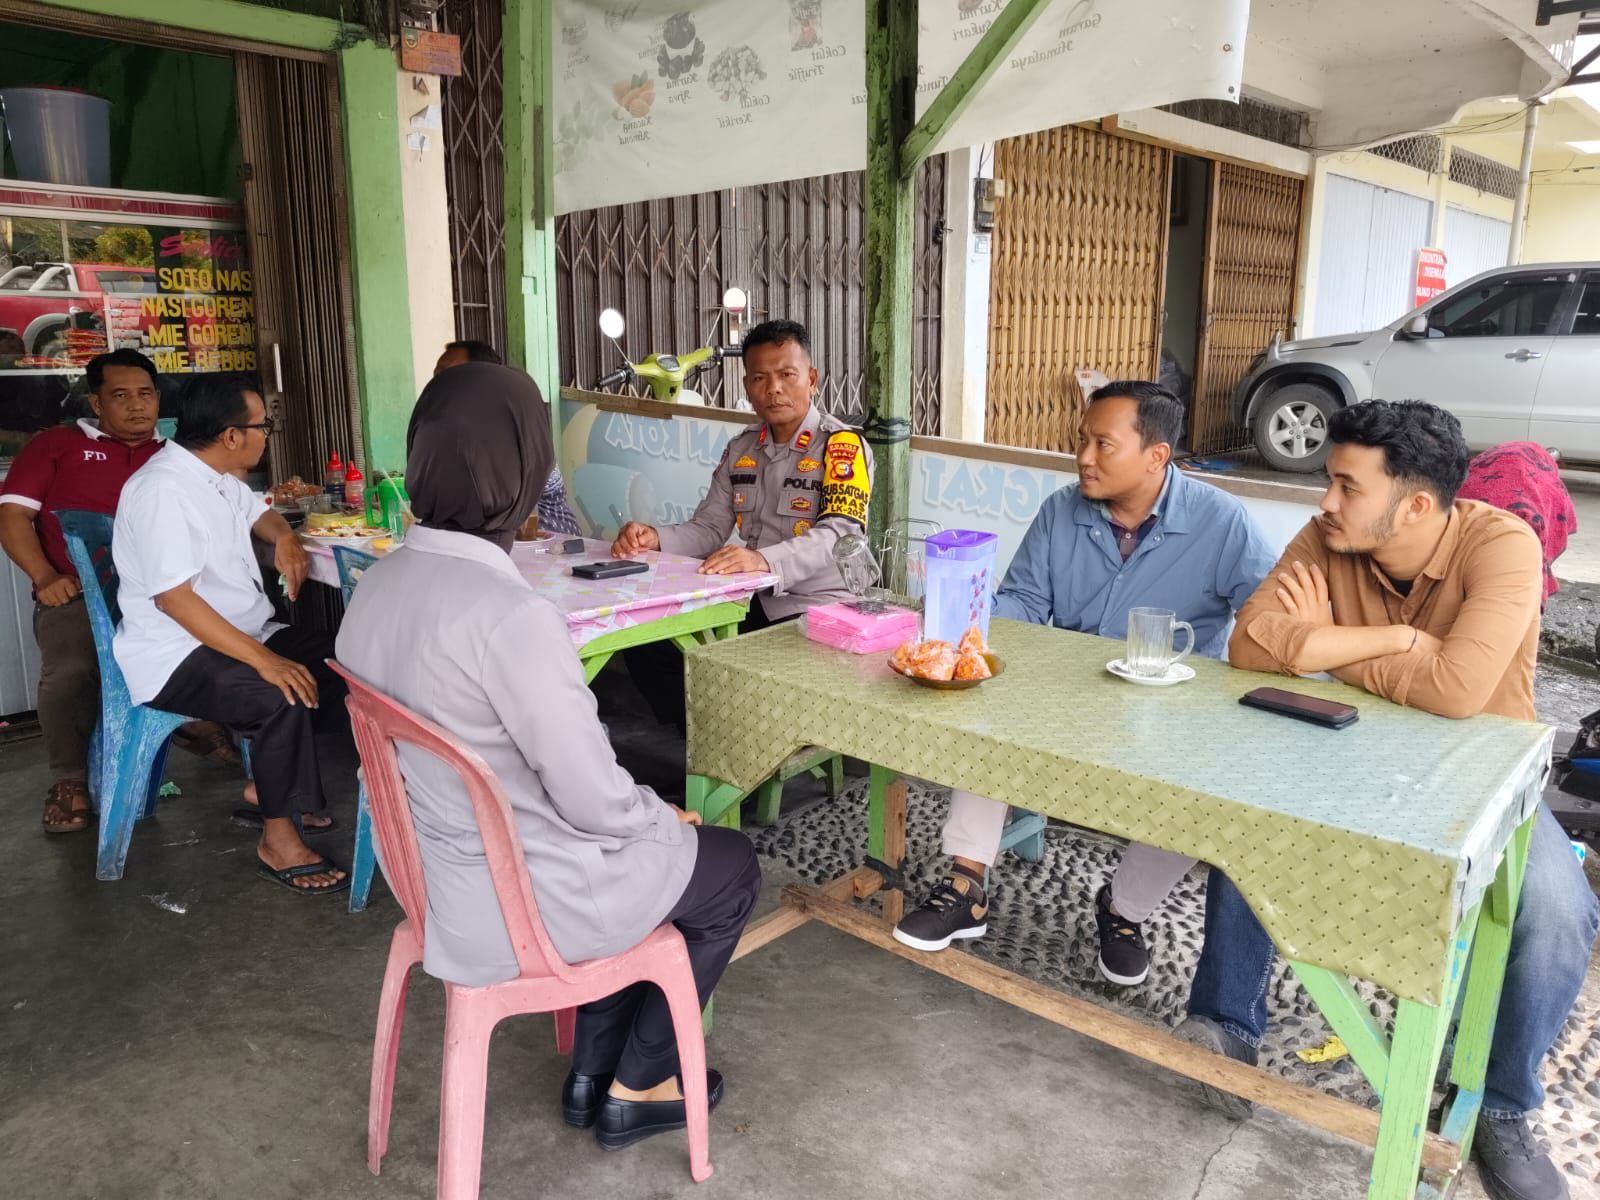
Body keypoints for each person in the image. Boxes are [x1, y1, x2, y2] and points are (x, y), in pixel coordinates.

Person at [1181, 401, 1599, 1200]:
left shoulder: (1501, 545)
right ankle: (1225, 1028)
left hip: (1487, 773)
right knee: (1256, 818)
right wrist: (1399, 641)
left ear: (1413, 504)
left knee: (1557, 910)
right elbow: (1249, 647)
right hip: (1343, 747)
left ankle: (1499, 1105)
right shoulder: (1332, 537)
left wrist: (1322, 650)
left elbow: (1460, 690)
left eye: (1344, 484)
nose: (1324, 502)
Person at [336, 363, 760, 1148]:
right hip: (523, 903)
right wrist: (656, 813)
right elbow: (594, 802)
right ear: (527, 471)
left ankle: (590, 1075)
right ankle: (640, 1082)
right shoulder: (509, 616)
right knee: (726, 867)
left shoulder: (375, 586)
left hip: (432, 888)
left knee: (639, 847)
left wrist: (637, 819)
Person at [892, 382, 1278, 979]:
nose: (1083, 457)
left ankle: (1123, 909)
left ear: (1157, 456)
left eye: (1103, 444)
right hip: (1062, 694)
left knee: (1202, 779)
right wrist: (956, 630)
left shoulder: (1221, 521)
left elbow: (1267, 616)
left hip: (1166, 710)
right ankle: (966, 885)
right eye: (1082, 440)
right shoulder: (1061, 509)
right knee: (984, 709)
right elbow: (1021, 599)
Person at [112, 374, 350, 893]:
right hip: (175, 651)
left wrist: (285, 537)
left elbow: (259, 514)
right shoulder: (162, 492)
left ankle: (273, 785)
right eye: (263, 425)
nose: (268, 433)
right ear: (230, 435)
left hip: (242, 631)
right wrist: (265, 662)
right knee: (278, 692)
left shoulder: (216, 476)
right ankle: (278, 837)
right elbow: (174, 600)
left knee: (346, 659)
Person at [0, 349, 233, 835]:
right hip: (81, 594)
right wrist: (45, 577)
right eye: (120, 395)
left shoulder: (175, 454)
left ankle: (184, 718)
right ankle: (69, 779)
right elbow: (13, 516)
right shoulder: (55, 446)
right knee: (72, 670)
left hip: (167, 594)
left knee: (241, 628)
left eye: (145, 394)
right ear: (95, 402)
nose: (136, 406)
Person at [612, 318, 873, 728]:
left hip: (819, 607)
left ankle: (737, 764)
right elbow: (709, 528)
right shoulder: (742, 448)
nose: (774, 388)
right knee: (646, 643)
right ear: (748, 386)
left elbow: (838, 535)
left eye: (787, 374)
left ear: (812, 378)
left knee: (737, 671)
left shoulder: (841, 446)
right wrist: (655, 537)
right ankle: (709, 746)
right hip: (751, 602)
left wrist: (763, 561)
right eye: (759, 378)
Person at [434, 339, 581, 537]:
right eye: (437, 376)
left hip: (548, 543)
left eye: (448, 374)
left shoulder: (513, 428)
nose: (437, 384)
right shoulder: (451, 430)